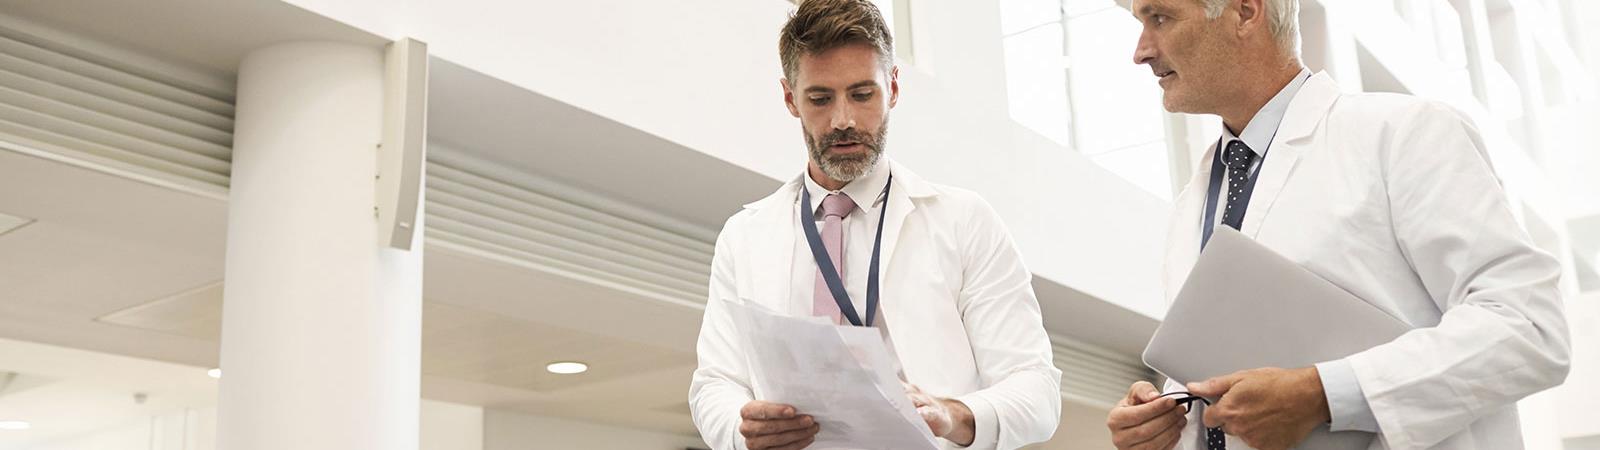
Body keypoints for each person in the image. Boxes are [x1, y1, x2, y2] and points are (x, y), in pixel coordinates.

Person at [1105, 0, 1571, 449]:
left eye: (1160, 18)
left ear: (1245, 11)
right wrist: (1166, 417)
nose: (1141, 51)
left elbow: (1528, 325)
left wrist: (1323, 394)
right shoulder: (1194, 200)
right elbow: (1225, 361)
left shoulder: (1405, 133)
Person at [687, 1, 1062, 449]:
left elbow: (1036, 389)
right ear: (790, 98)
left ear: (894, 87)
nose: (843, 120)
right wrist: (739, 427)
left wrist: (952, 413)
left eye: (863, 95)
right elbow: (715, 383)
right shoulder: (744, 237)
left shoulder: (965, 220)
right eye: (820, 98)